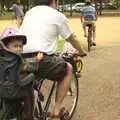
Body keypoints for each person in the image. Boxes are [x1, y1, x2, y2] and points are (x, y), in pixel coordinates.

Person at [19, 0, 87, 118]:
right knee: (68, 69)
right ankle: (57, 108)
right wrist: (81, 51)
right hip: (41, 59)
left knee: (34, 76)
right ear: (55, 1)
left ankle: (33, 102)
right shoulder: (57, 15)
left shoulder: (29, 13)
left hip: (21, 59)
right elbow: (72, 38)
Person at [0, 27, 35, 120]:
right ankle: (29, 115)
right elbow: (30, 66)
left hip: (3, 90)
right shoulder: (18, 61)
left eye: (21, 46)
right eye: (15, 46)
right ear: (6, 47)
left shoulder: (2, 61)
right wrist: (37, 60)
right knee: (31, 78)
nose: (19, 49)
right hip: (17, 90)